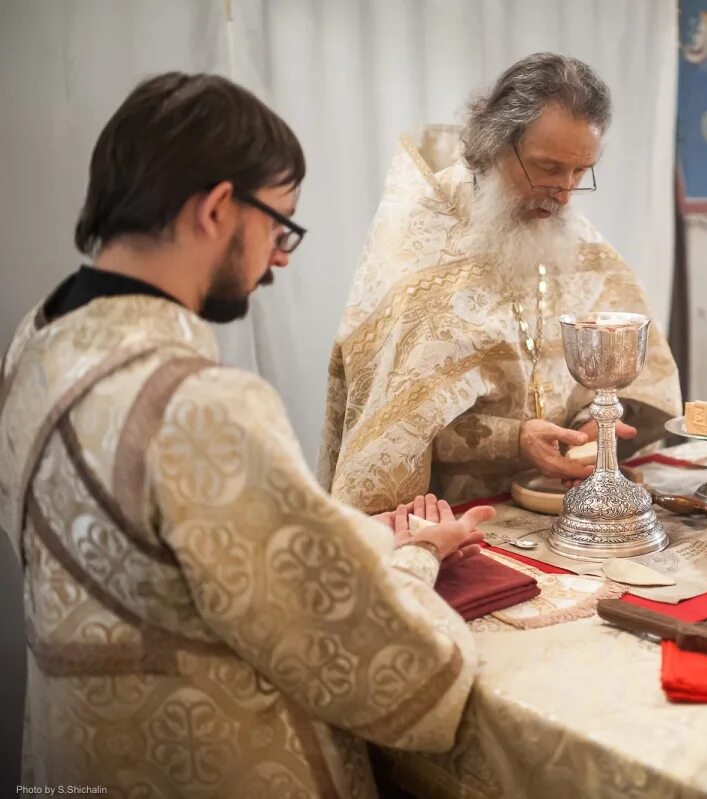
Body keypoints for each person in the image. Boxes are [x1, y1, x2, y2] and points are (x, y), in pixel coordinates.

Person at [0, 72, 493, 796]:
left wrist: (365, 539)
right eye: (278, 223)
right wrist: (417, 555)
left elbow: (160, 570)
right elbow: (364, 651)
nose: (282, 257)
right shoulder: (201, 403)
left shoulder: (33, 344)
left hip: (75, 753)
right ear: (218, 209)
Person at [319, 53, 682, 513]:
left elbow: (643, 381)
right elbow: (393, 431)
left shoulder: (576, 240)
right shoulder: (420, 248)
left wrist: (598, 421)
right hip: (455, 522)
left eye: (579, 172)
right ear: (494, 146)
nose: (565, 192)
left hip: (558, 508)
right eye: (548, 168)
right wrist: (513, 439)